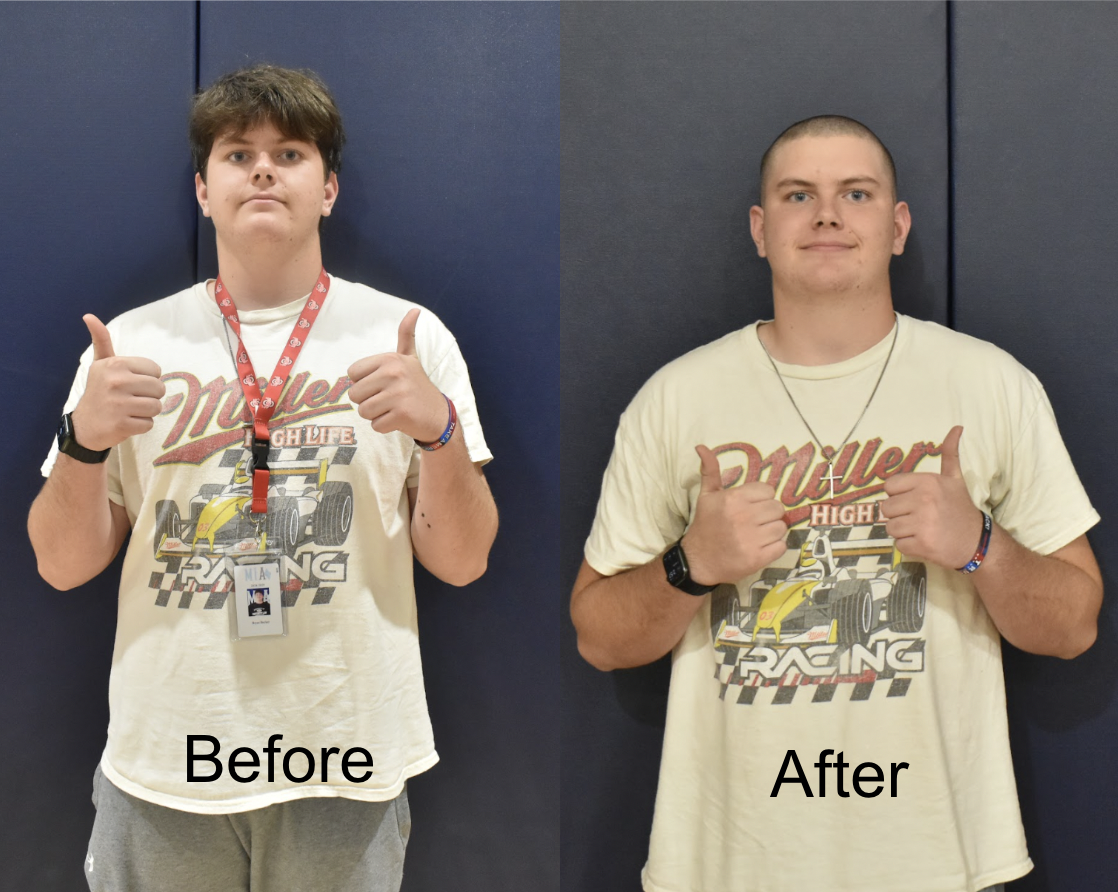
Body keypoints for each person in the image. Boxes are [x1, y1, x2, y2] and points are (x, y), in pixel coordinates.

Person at [570, 115, 1101, 892]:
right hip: (729, 864)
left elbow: (1074, 626)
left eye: (856, 192)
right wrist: (692, 566)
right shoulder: (675, 400)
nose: (826, 215)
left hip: (934, 859)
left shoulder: (992, 386)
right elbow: (599, 638)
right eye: (797, 195)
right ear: (760, 228)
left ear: (897, 226)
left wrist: (977, 543)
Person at [28, 64, 497, 892]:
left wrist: (441, 431)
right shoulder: (129, 348)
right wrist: (82, 440)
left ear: (329, 189)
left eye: (290, 153)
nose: (264, 170)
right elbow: (62, 565)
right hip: (169, 758)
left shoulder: (408, 338)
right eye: (238, 155)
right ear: (203, 192)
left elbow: (463, 560)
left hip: (344, 758)